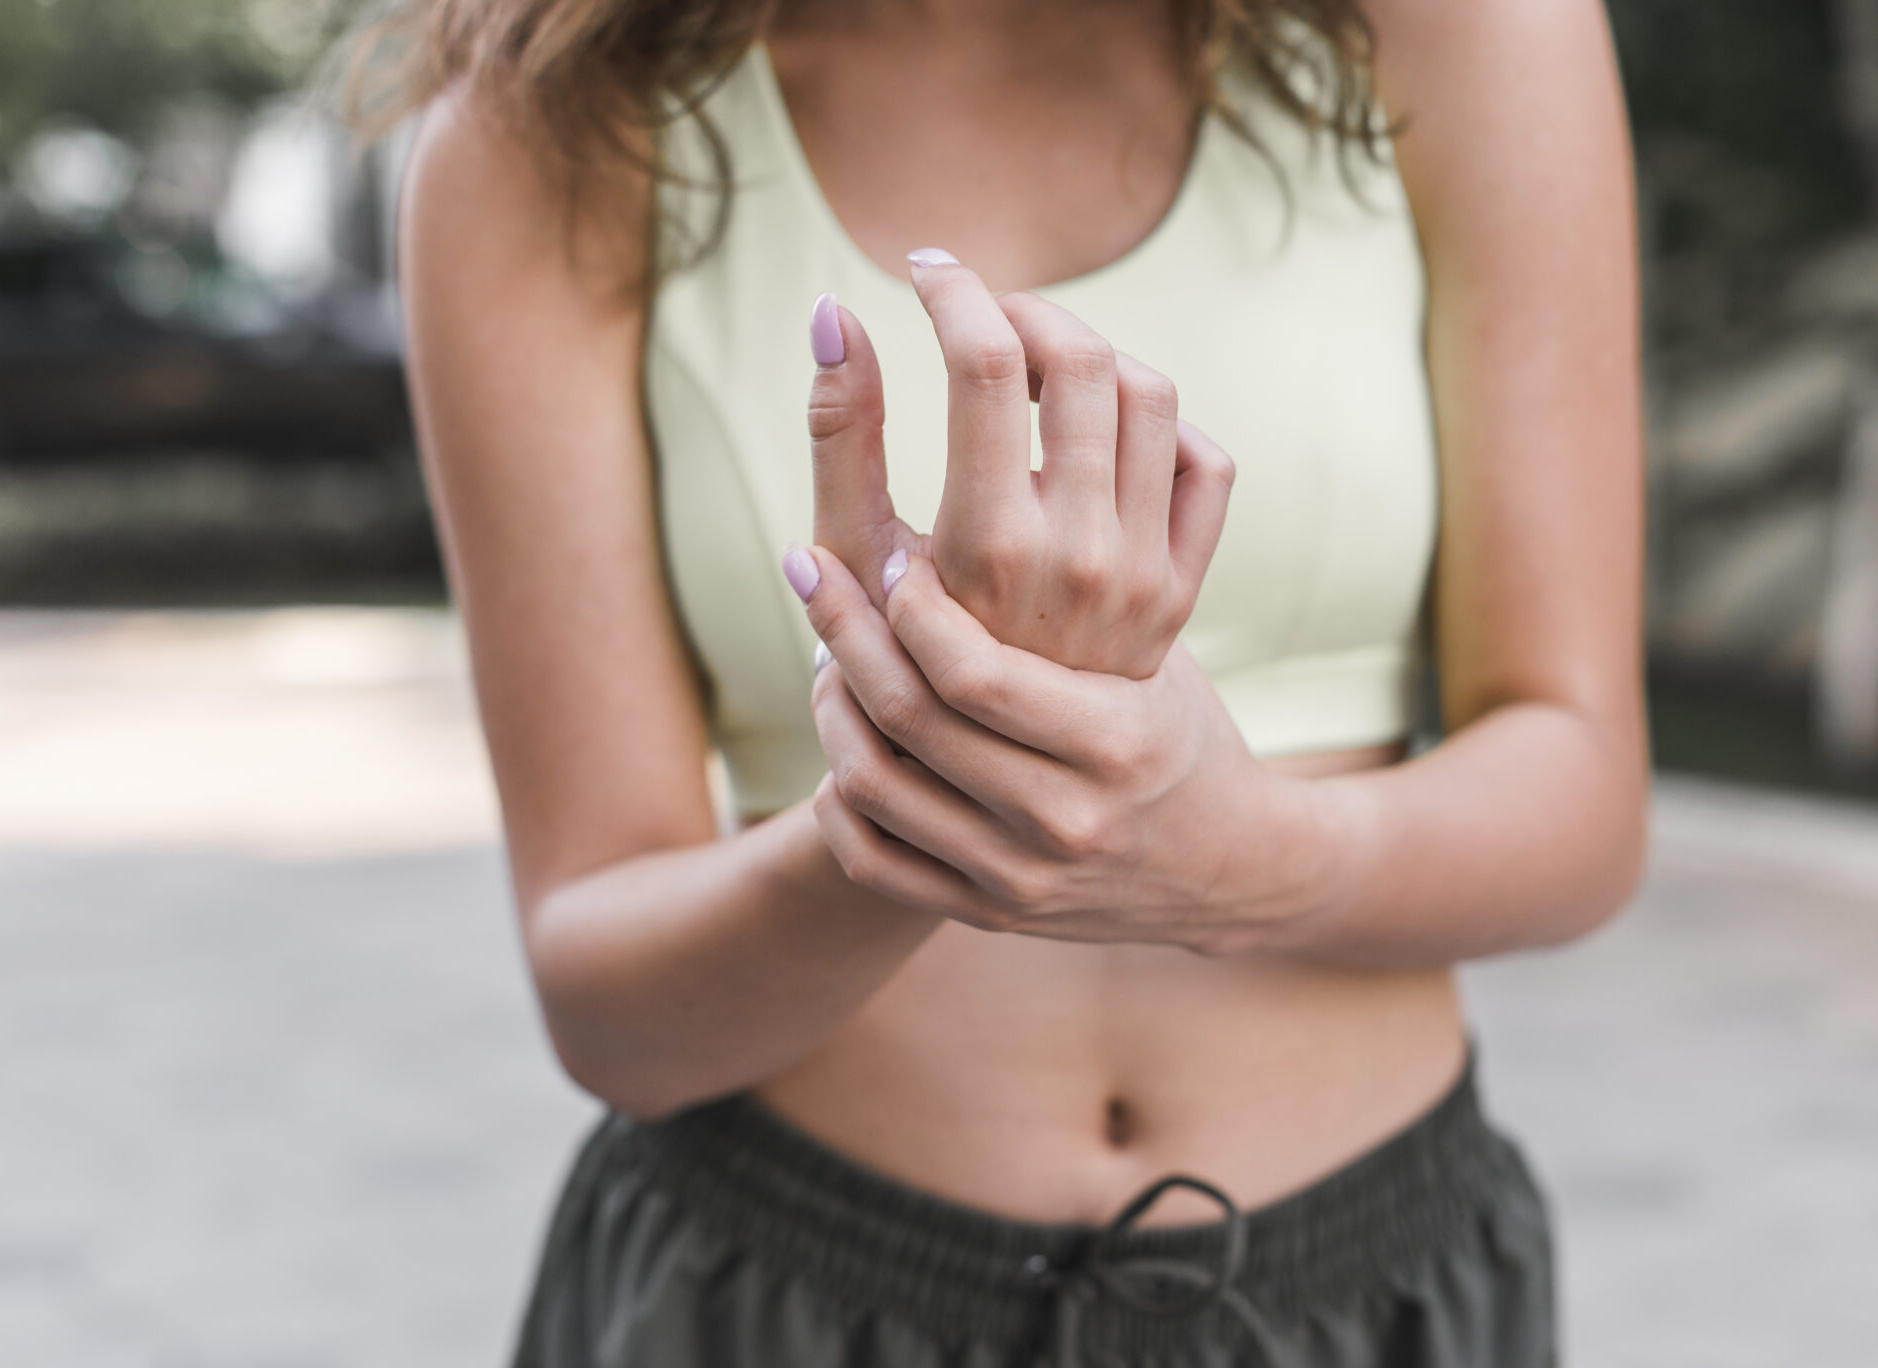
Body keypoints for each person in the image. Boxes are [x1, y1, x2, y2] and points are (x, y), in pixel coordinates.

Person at [361, 0, 1645, 1361]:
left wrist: (1252, 860)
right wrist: (917, 792)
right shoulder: (549, 123)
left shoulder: (1464, 31)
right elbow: (610, 1013)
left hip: (1367, 1294)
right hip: (779, 1295)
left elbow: (1579, 796)